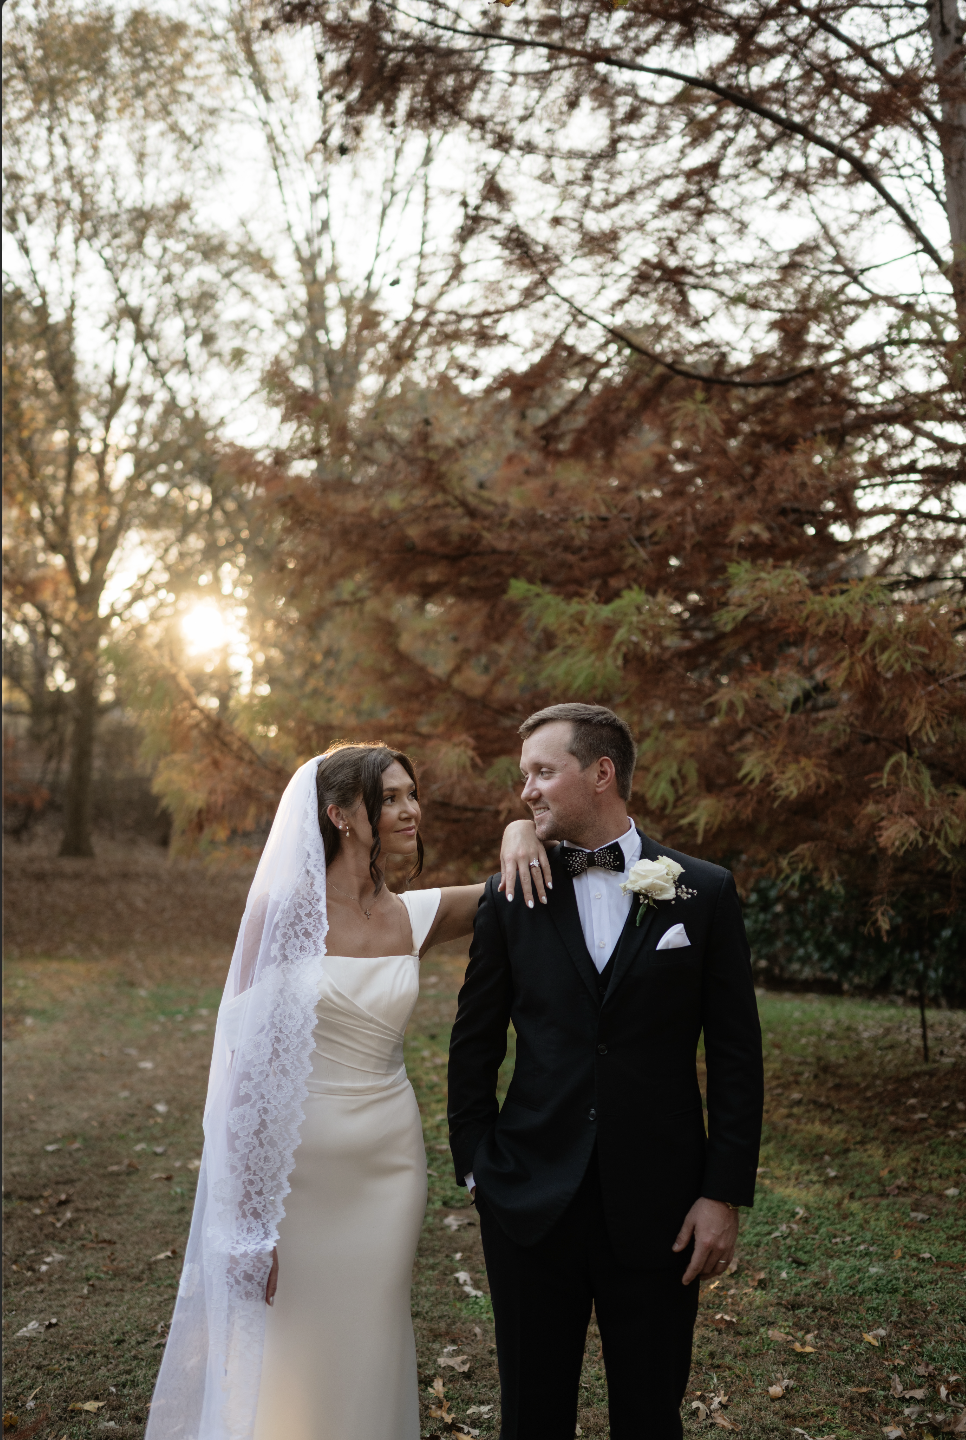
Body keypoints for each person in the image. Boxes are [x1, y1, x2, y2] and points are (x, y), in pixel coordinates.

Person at [146, 742, 546, 1440]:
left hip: (389, 1166)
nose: (409, 808)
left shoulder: (410, 917)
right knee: (294, 1343)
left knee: (372, 1329)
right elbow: (243, 1074)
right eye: (388, 798)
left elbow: (507, 886)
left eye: (410, 794)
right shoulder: (280, 918)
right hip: (300, 1174)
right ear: (338, 814)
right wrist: (247, 1224)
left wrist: (519, 829)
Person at [447, 703, 764, 1440]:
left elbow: (737, 1054)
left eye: (542, 772)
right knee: (532, 1415)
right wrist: (478, 1167)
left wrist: (722, 1192)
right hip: (528, 1199)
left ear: (601, 773)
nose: (526, 791)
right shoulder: (510, 894)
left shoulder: (702, 891)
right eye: (523, 775)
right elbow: (474, 1043)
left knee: (651, 1416)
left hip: (661, 1207)